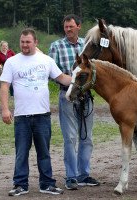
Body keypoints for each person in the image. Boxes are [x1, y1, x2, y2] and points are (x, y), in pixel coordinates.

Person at [0, 28, 72, 196]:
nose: (25, 45)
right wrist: (4, 109)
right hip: (22, 117)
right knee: (21, 152)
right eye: (22, 42)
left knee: (44, 152)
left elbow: (61, 78)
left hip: (42, 115)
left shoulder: (46, 60)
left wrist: (78, 77)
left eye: (28, 42)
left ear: (35, 42)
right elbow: (4, 86)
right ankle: (20, 184)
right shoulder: (12, 62)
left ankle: (46, 184)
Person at [48, 14, 100, 190]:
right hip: (67, 95)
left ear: (79, 26)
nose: (68, 29)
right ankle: (71, 176)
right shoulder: (56, 46)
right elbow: (52, 72)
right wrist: (72, 82)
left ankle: (83, 174)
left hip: (86, 96)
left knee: (87, 137)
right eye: (66, 27)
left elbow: (95, 69)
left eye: (71, 26)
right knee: (70, 138)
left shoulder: (87, 46)